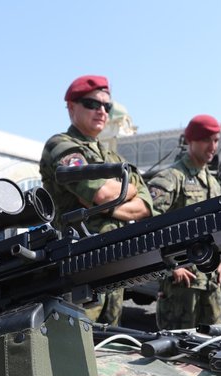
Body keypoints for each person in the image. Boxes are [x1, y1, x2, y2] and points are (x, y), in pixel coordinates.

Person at [39, 75, 153, 324]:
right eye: (92, 104)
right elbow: (102, 194)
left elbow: (144, 206)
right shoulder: (61, 146)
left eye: (106, 106)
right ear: (71, 107)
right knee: (71, 350)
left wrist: (104, 208)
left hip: (115, 268)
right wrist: (121, 191)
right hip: (79, 270)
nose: (101, 111)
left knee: (109, 351)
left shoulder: (112, 155)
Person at [147, 115, 221, 329]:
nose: (213, 146)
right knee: (176, 352)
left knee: (214, 346)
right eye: (207, 140)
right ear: (190, 141)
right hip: (181, 286)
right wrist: (170, 266)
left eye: (216, 140)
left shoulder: (212, 182)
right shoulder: (171, 178)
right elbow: (147, 225)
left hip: (210, 284)